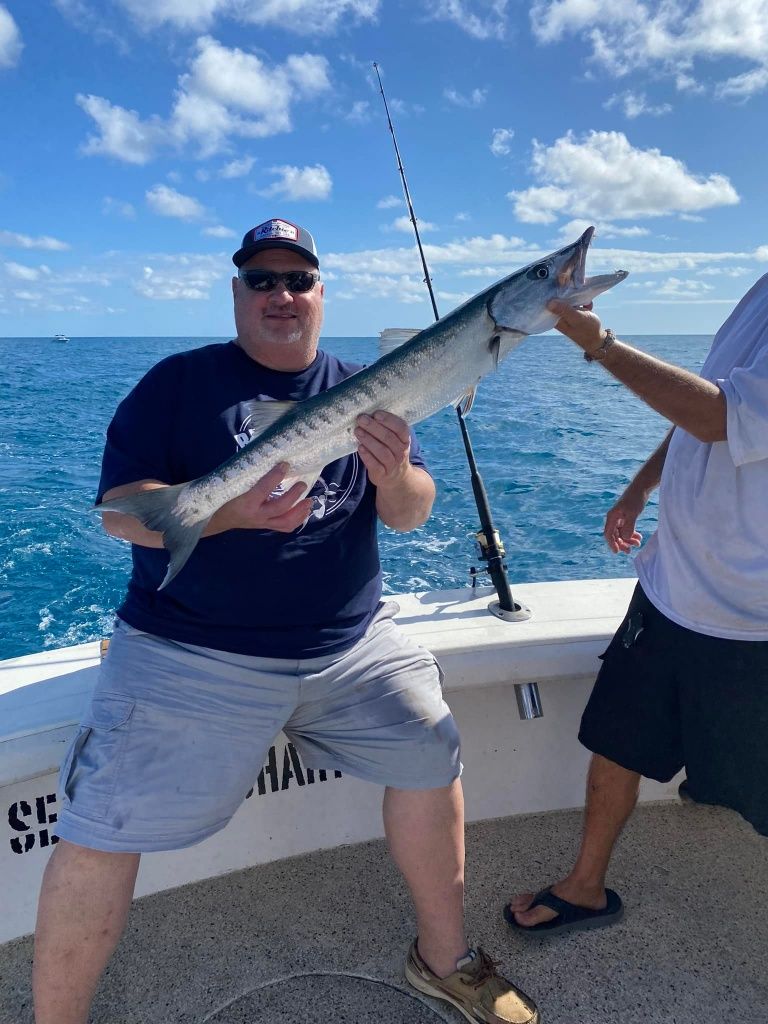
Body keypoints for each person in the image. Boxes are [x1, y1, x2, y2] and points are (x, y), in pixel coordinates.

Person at [33, 217, 540, 1024]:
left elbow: (410, 515)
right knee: (101, 824)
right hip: (187, 651)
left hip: (350, 646)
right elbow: (120, 515)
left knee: (430, 749)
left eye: (297, 279)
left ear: (321, 294)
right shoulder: (176, 383)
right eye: (261, 280)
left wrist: (395, 469)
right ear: (237, 294)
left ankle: (444, 961)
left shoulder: (376, 381)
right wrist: (230, 515)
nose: (281, 294)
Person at [505, 278, 768, 937]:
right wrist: (639, 485)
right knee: (617, 738)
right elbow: (707, 406)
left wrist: (602, 344)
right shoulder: (761, 291)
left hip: (751, 617)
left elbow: (720, 418)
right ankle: (585, 886)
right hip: (669, 581)